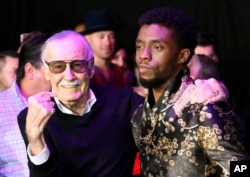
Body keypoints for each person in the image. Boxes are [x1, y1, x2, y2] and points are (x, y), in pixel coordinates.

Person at [17, 30, 229, 177]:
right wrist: (35, 141)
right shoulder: (32, 116)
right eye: (57, 66)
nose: (69, 75)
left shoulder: (123, 103)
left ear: (91, 68)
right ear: (45, 70)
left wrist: (212, 95)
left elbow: (174, 119)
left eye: (78, 65)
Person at [131, 7, 250, 177]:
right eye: (139, 46)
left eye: (157, 47)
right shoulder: (139, 116)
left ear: (182, 56)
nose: (144, 54)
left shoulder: (204, 110)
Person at [0, 33, 50, 176]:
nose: (64, 74)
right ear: (30, 71)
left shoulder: (64, 104)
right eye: (54, 66)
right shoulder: (2, 106)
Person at [82, 9, 137, 87]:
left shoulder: (124, 74)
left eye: (111, 36)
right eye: (101, 37)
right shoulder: (83, 75)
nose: (108, 42)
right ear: (87, 39)